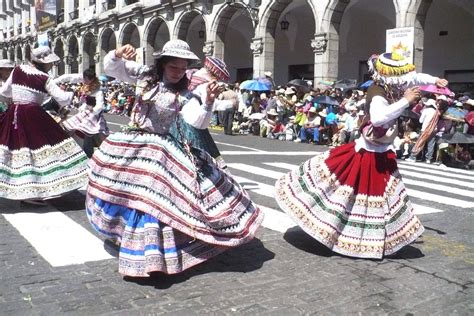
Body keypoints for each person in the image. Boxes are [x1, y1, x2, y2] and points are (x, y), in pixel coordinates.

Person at [86, 40, 263, 277]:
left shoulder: (186, 93)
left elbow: (196, 121)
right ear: (163, 64)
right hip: (133, 142)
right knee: (125, 192)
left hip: (161, 149)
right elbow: (111, 68)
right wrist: (117, 54)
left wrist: (209, 102)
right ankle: (123, 236)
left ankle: (151, 252)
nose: (179, 72)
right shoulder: (145, 75)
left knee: (156, 199)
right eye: (174, 67)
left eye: (182, 68)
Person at [275, 51, 448, 259]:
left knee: (385, 196)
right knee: (350, 194)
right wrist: (405, 101)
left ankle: (376, 236)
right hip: (368, 153)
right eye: (400, 77)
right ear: (389, 75)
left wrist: (435, 80)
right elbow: (378, 118)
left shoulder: (392, 85)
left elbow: (416, 77)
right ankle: (342, 232)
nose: (405, 81)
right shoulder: (377, 92)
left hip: (382, 152)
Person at [0, 46, 88, 203]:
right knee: (45, 147)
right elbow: (62, 98)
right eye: (50, 63)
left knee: (18, 150)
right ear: (43, 63)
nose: (51, 65)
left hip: (15, 113)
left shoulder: (17, 70)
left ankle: (25, 189)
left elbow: (5, 92)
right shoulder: (44, 78)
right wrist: (74, 94)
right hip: (33, 115)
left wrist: (19, 95)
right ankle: (38, 189)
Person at [170, 55, 231, 167]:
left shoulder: (190, 75)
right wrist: (229, 104)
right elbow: (208, 103)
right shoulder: (205, 84)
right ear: (214, 74)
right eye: (217, 77)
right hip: (192, 123)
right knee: (199, 158)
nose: (217, 80)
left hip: (177, 118)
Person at [56, 68, 110, 158]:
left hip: (94, 115)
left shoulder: (98, 90)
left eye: (86, 79)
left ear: (92, 79)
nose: (84, 80)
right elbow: (69, 76)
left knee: (91, 133)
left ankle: (92, 153)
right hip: (85, 112)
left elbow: (100, 105)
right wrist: (55, 81)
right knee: (78, 130)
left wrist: (93, 110)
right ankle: (80, 151)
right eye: (84, 78)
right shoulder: (85, 83)